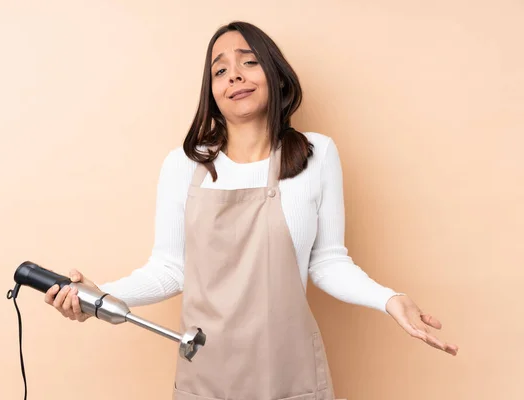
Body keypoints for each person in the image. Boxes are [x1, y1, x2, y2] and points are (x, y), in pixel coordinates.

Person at [44, 21, 459, 400]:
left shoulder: (317, 155)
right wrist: (101, 297)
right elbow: (170, 269)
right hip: (206, 376)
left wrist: (390, 299)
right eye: (220, 71)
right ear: (212, 92)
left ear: (276, 76)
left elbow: (327, 262)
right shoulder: (184, 165)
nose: (235, 76)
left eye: (249, 62)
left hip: (290, 373)